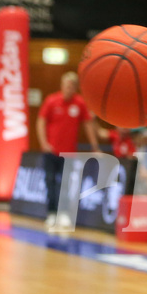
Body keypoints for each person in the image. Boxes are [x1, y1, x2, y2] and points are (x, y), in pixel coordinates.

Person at [36, 71, 99, 231]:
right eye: (67, 85)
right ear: (62, 86)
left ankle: (63, 213)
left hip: (69, 153)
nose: (69, 88)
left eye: (72, 86)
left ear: (76, 88)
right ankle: (51, 213)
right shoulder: (52, 101)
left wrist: (95, 147)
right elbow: (41, 122)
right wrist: (44, 143)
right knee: (50, 182)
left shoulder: (79, 103)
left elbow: (88, 125)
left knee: (65, 185)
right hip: (51, 152)